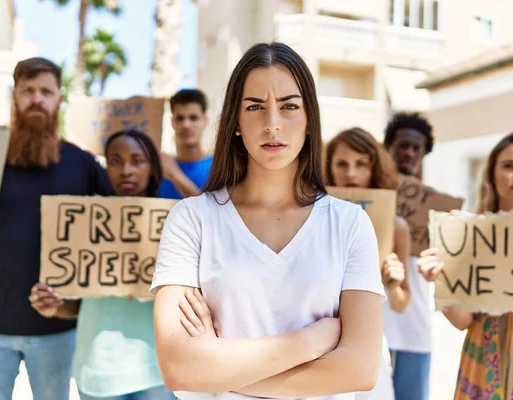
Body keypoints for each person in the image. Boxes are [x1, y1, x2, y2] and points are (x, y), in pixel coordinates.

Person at [150, 42, 385, 400]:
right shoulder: (192, 220)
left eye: (289, 106)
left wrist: (216, 372)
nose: (272, 124)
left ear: (309, 122)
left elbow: (360, 369)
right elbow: (178, 368)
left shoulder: (350, 223)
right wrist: (309, 342)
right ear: (237, 123)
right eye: (255, 107)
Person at [0, 57, 112, 400]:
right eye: (27, 91)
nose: (37, 99)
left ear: (59, 99)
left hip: (56, 328)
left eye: (46, 91)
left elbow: (117, 227)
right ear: (15, 97)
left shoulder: (82, 163)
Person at [29, 129, 176, 400]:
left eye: (137, 160)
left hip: (157, 370)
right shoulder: (86, 224)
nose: (126, 170)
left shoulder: (176, 223)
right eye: (115, 161)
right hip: (98, 369)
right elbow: (78, 304)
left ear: (153, 167)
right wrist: (53, 305)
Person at [418, 131, 513, 399]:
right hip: (483, 362)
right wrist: (439, 281)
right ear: (492, 175)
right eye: (509, 165)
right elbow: (464, 321)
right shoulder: (472, 235)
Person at [326, 127, 411, 400]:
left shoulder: (396, 227)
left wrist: (394, 284)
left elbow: (400, 303)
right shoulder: (307, 217)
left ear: (374, 168)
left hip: (369, 344)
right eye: (342, 164)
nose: (351, 173)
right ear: (328, 168)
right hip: (317, 342)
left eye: (360, 164)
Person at [382, 112, 435, 400]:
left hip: (414, 326)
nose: (409, 152)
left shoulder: (433, 206)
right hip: (375, 325)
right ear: (389, 146)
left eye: (417, 148)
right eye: (403, 145)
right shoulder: (369, 194)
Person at [158, 89, 212, 199]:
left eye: (193, 118)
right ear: (172, 122)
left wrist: (176, 176)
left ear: (205, 121)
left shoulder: (221, 168)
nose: (186, 125)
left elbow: (218, 213)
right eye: (180, 118)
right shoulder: (159, 168)